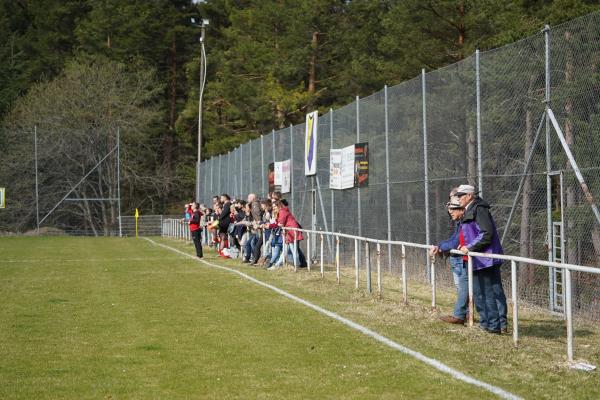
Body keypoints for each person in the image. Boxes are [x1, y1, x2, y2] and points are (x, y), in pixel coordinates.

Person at [456, 184, 508, 334]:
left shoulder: (479, 209)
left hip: (486, 259)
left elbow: (486, 233)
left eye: (461, 196)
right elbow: (472, 233)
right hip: (477, 258)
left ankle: (494, 325)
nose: (458, 199)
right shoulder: (469, 210)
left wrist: (470, 247)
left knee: (488, 292)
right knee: (478, 293)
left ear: (469, 196)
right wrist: (464, 245)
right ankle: (485, 323)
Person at [431, 197, 468, 324]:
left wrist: (441, 247)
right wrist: (440, 246)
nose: (450, 211)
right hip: (458, 259)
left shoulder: (466, 221)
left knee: (467, 288)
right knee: (461, 287)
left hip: (465, 260)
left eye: (452, 208)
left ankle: (464, 315)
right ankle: (464, 314)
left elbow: (455, 242)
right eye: (449, 208)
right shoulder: (459, 222)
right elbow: (453, 239)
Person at [272, 200, 307, 268]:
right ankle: (277, 265)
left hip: (292, 231)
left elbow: (280, 224)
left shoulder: (283, 211)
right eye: (273, 207)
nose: (273, 208)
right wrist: (276, 217)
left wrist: (273, 224)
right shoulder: (280, 212)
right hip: (288, 231)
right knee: (285, 250)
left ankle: (296, 266)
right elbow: (278, 223)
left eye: (275, 206)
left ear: (279, 206)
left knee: (294, 250)